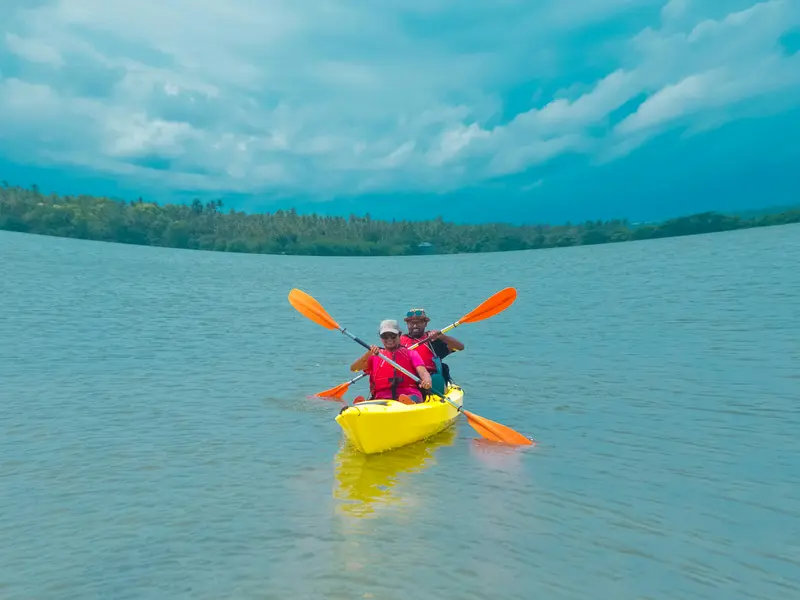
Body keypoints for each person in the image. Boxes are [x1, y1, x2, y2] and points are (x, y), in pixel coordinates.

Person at [350, 319, 432, 403]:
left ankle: (408, 404)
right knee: (372, 402)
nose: (389, 339)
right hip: (382, 398)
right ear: (380, 337)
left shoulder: (411, 354)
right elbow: (354, 368)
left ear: (399, 335)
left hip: (408, 394)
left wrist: (427, 381)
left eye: (392, 335)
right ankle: (363, 406)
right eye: (385, 336)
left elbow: (424, 372)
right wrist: (368, 354)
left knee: (411, 398)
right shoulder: (374, 356)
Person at [400, 308, 464, 386]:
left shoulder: (432, 340)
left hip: (429, 380)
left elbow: (460, 347)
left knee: (436, 379)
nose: (415, 326)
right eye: (411, 323)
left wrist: (442, 337)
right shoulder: (399, 340)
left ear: (425, 324)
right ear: (407, 324)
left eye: (419, 322)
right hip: (406, 379)